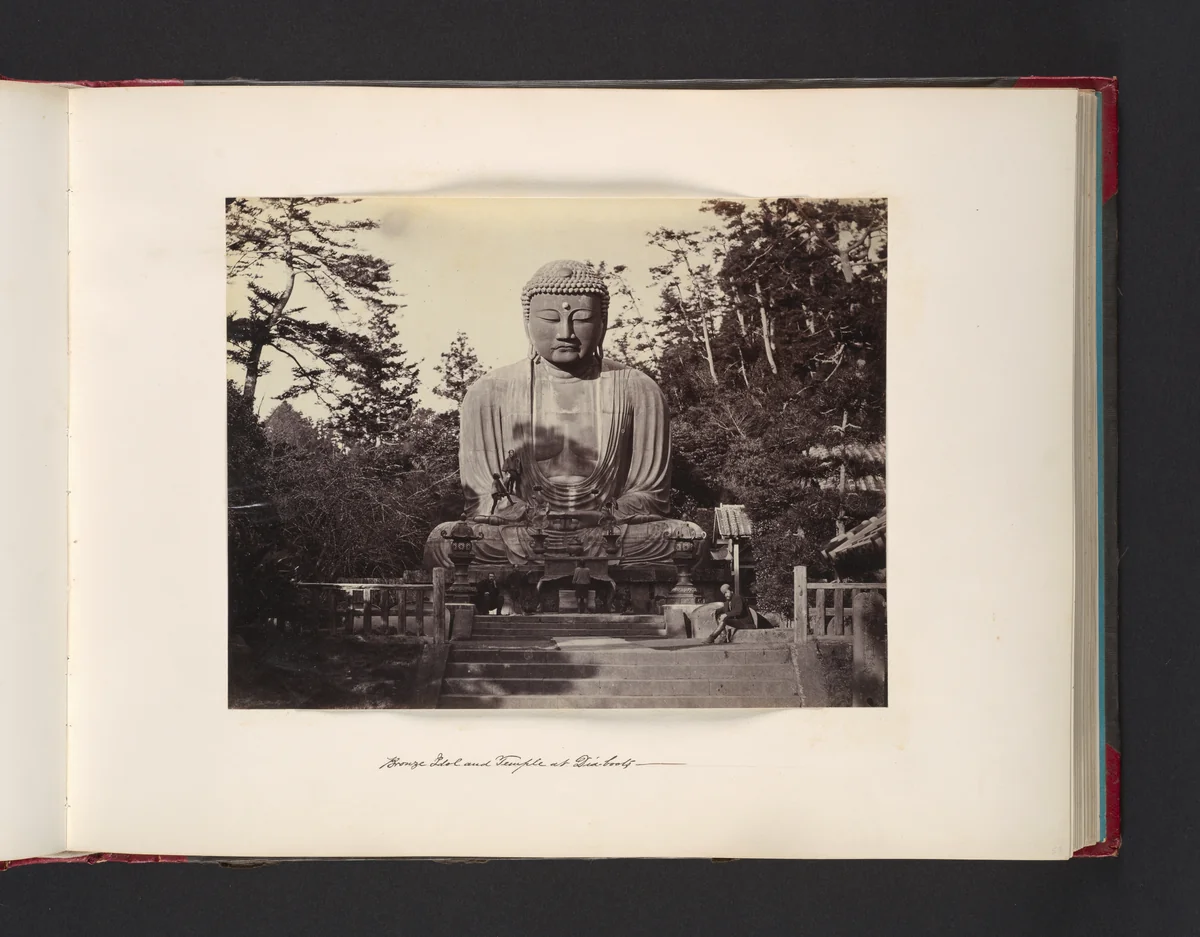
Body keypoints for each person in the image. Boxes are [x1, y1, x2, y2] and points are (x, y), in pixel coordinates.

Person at [423, 259, 705, 570]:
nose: (566, 332)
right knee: (445, 540)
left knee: (687, 538)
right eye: (550, 319)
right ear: (527, 321)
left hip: (607, 528)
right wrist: (528, 514)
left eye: (582, 319)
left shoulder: (638, 389)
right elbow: (482, 497)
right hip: (524, 530)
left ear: (603, 323)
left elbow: (649, 494)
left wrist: (607, 512)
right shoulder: (488, 393)